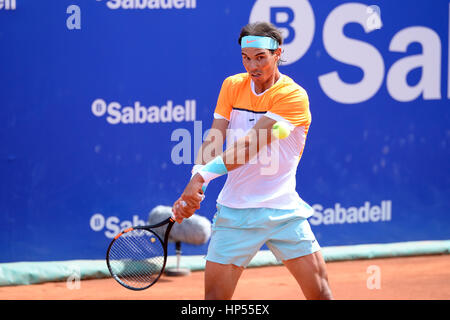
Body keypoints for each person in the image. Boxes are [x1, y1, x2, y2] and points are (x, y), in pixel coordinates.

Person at [172, 22, 333, 300]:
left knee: (320, 294)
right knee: (214, 302)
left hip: (284, 213)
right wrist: (198, 181)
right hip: (235, 214)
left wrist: (201, 178)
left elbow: (250, 145)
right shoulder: (232, 86)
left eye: (261, 57)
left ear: (277, 53)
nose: (253, 66)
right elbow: (215, 138)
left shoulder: (292, 96)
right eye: (246, 58)